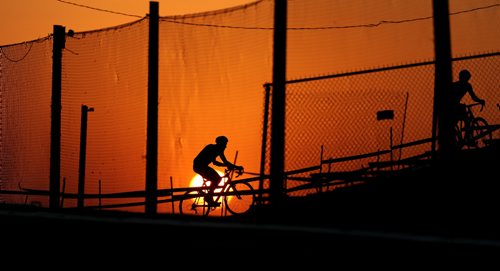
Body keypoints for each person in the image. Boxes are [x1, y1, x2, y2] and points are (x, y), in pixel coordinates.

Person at [193, 136, 244, 207]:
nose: (226, 146)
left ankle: (208, 196)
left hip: (201, 166)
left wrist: (229, 166)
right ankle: (208, 198)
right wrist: (235, 167)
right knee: (217, 179)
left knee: (216, 179)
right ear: (221, 144)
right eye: (225, 144)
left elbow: (219, 162)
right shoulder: (213, 148)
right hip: (200, 166)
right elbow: (222, 162)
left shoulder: (217, 150)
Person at [449, 69, 485, 145]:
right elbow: (473, 97)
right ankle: (467, 139)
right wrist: (480, 101)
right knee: (467, 120)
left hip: (451, 105)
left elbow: (473, 97)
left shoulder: (459, 85)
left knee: (454, 122)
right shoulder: (466, 85)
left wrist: (479, 100)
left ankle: (459, 139)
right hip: (454, 105)